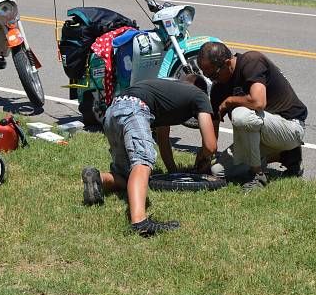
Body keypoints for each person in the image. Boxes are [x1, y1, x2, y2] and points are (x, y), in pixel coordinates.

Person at [81, 78, 217, 236]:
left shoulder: (167, 92)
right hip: (134, 109)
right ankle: (140, 222)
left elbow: (163, 140)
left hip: (112, 111)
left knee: (127, 177)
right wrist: (203, 161)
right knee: (142, 161)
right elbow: (211, 145)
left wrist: (173, 173)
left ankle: (98, 178)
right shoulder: (199, 95)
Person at [196, 42, 307, 191]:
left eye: (213, 74)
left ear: (228, 63)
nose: (212, 80)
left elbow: (258, 102)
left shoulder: (251, 61)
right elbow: (213, 131)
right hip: (261, 134)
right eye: (206, 75)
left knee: (241, 115)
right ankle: (287, 156)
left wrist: (230, 101)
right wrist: (206, 155)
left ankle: (257, 175)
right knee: (217, 171)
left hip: (290, 127)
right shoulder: (218, 88)